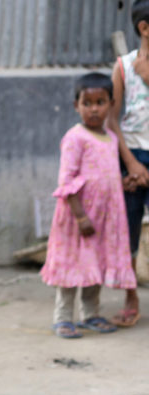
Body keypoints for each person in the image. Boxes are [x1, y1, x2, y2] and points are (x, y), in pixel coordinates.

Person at [42, 73, 136, 338]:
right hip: (78, 218)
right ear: (76, 105)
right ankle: (62, 318)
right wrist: (81, 217)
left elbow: (105, 174)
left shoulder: (112, 138)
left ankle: (90, 314)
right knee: (72, 265)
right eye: (87, 103)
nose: (94, 108)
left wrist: (123, 183)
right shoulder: (75, 138)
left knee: (96, 264)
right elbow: (67, 180)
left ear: (111, 104)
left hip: (104, 219)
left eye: (100, 102)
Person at [108, 0, 149, 328]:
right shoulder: (122, 67)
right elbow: (112, 122)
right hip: (132, 156)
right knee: (129, 230)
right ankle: (131, 296)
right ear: (144, 28)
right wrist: (131, 164)